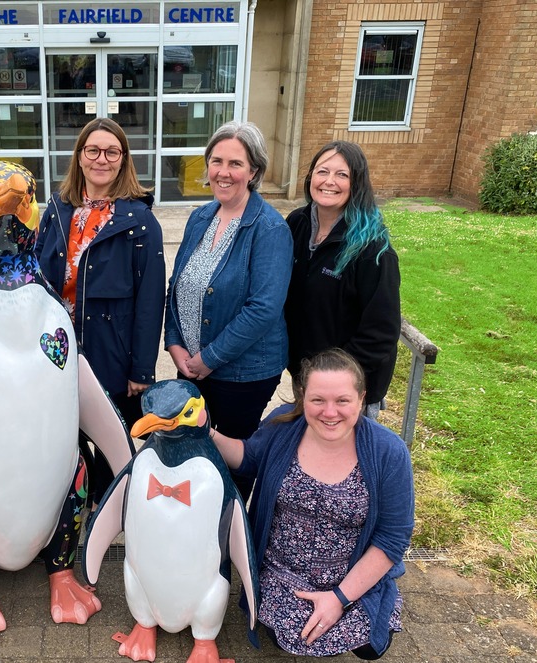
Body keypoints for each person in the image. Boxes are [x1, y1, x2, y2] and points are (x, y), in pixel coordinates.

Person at [211, 348, 415, 659]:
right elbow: (247, 457)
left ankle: (363, 596)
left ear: (361, 399)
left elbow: (393, 537)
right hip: (283, 572)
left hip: (349, 572)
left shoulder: (389, 452)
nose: (329, 412)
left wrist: (339, 598)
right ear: (303, 397)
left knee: (369, 645)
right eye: (318, 400)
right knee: (289, 638)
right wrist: (202, 431)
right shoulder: (283, 425)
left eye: (342, 401)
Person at [35, 117, 165, 507]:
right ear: (80, 156)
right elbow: (36, 273)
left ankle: (108, 512)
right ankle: (79, 499)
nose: (101, 159)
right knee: (66, 434)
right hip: (57, 347)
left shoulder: (139, 221)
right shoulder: (58, 209)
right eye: (93, 150)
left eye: (112, 151)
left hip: (111, 348)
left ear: (123, 159)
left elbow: (150, 300)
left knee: (111, 438)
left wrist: (142, 370)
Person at [164, 120, 292, 499]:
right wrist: (174, 343)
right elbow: (178, 287)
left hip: (243, 372)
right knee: (190, 449)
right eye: (216, 161)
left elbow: (263, 309)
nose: (223, 172)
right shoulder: (200, 217)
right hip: (190, 362)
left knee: (232, 461)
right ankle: (193, 522)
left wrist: (209, 359)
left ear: (253, 171)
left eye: (235, 163)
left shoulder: (268, 229)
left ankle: (226, 540)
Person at [285, 141, 401, 419]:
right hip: (305, 379)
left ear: (357, 183)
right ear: (310, 176)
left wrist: (332, 381)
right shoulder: (296, 224)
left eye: (342, 175)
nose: (329, 181)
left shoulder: (372, 249)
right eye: (322, 171)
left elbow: (381, 333)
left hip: (348, 392)